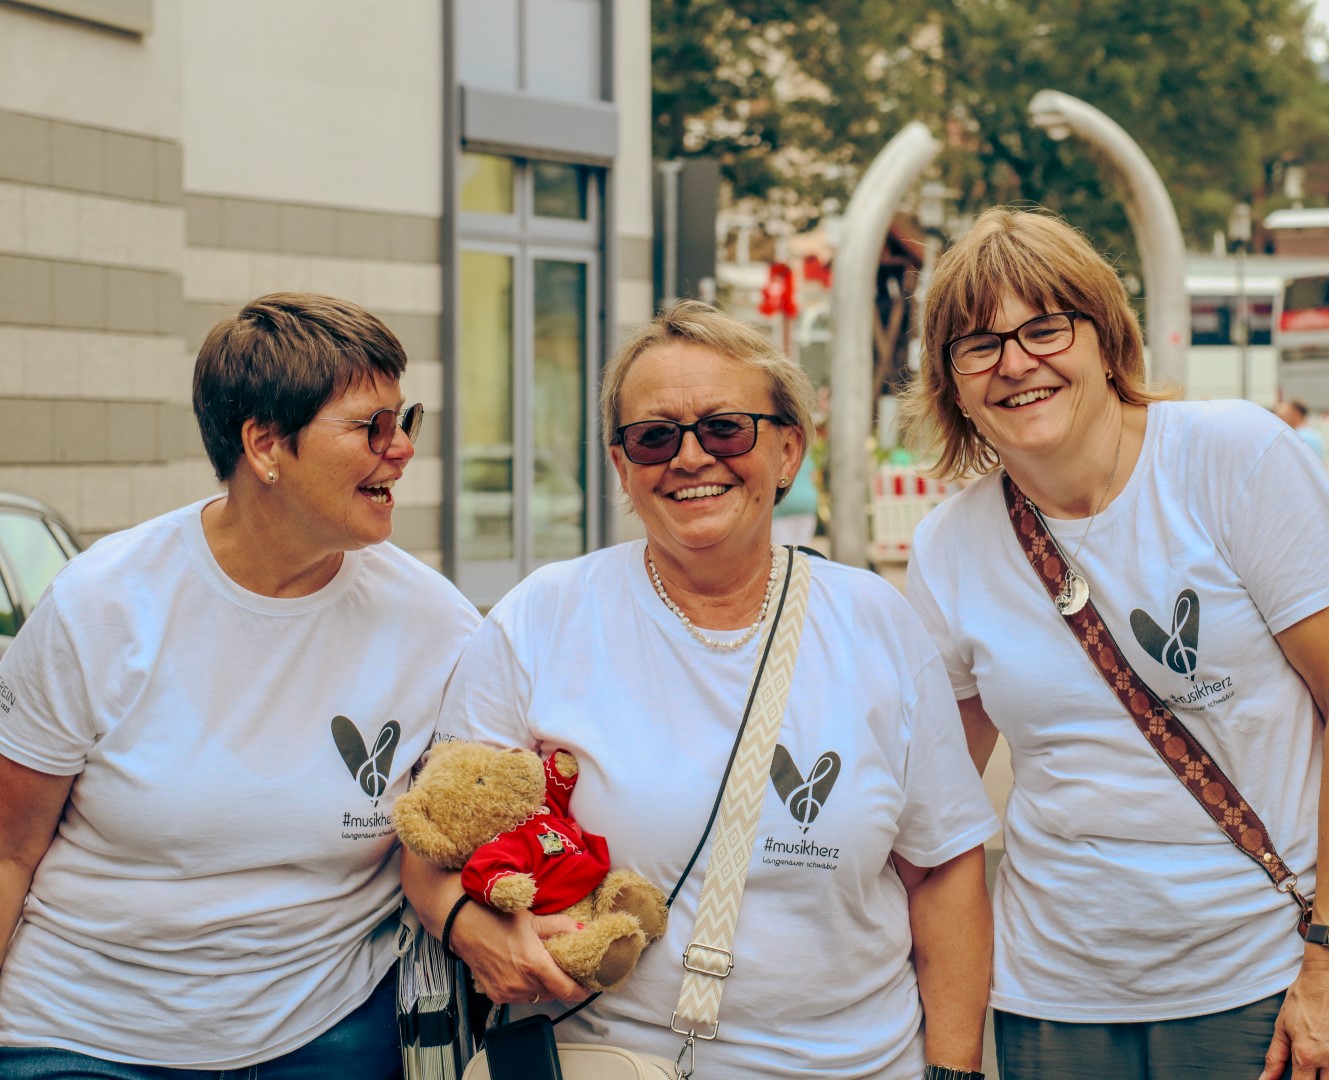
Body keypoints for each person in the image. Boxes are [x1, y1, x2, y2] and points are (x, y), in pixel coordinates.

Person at [403, 300, 998, 1079]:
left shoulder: (876, 623)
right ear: (623, 467)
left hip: (853, 1063)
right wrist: (468, 926)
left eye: (724, 429)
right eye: (654, 437)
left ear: (788, 449)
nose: (689, 458)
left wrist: (952, 1070)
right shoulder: (542, 619)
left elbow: (944, 871)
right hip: (607, 1062)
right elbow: (432, 843)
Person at [898, 208, 1329, 1080]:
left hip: (1271, 974)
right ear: (952, 383)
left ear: (1106, 338)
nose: (1015, 363)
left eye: (1044, 329)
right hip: (1056, 997)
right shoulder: (949, 548)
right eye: (978, 345)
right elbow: (935, 805)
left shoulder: (1235, 458)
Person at [0, 293, 481, 1077]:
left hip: (328, 1033)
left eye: (404, 420)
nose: (400, 450)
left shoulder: (436, 624)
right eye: (371, 426)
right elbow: (9, 850)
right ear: (265, 445)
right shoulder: (103, 604)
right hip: (85, 1034)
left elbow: (459, 831)